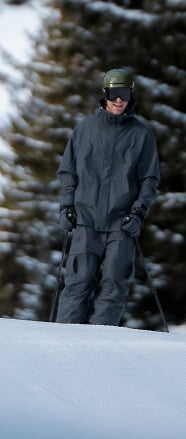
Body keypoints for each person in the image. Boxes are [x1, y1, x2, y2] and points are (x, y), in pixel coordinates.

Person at [55, 68, 160, 326]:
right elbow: (68, 171)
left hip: (121, 224)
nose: (118, 100)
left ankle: (97, 345)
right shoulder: (85, 129)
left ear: (130, 94)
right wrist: (66, 207)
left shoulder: (141, 134)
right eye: (114, 93)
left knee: (114, 286)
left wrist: (138, 213)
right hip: (86, 220)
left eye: (124, 93)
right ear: (105, 94)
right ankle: (61, 342)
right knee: (78, 284)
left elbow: (149, 180)